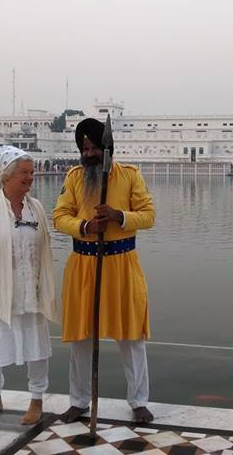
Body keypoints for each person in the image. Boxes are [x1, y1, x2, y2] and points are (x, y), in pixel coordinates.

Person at [53, 117, 156, 424]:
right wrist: (85, 226)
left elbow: (149, 215)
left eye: (94, 148)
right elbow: (59, 217)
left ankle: (138, 401)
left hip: (121, 265)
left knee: (132, 336)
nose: (89, 154)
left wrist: (118, 216)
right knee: (81, 337)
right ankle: (79, 401)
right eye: (84, 149)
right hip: (84, 266)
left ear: (107, 148)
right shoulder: (74, 178)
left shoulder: (129, 176)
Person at [0, 146, 58, 425]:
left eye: (32, 172)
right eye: (24, 173)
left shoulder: (35, 207)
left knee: (37, 349)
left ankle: (36, 400)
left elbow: (45, 247)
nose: (30, 178)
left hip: (30, 290)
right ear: (6, 176)